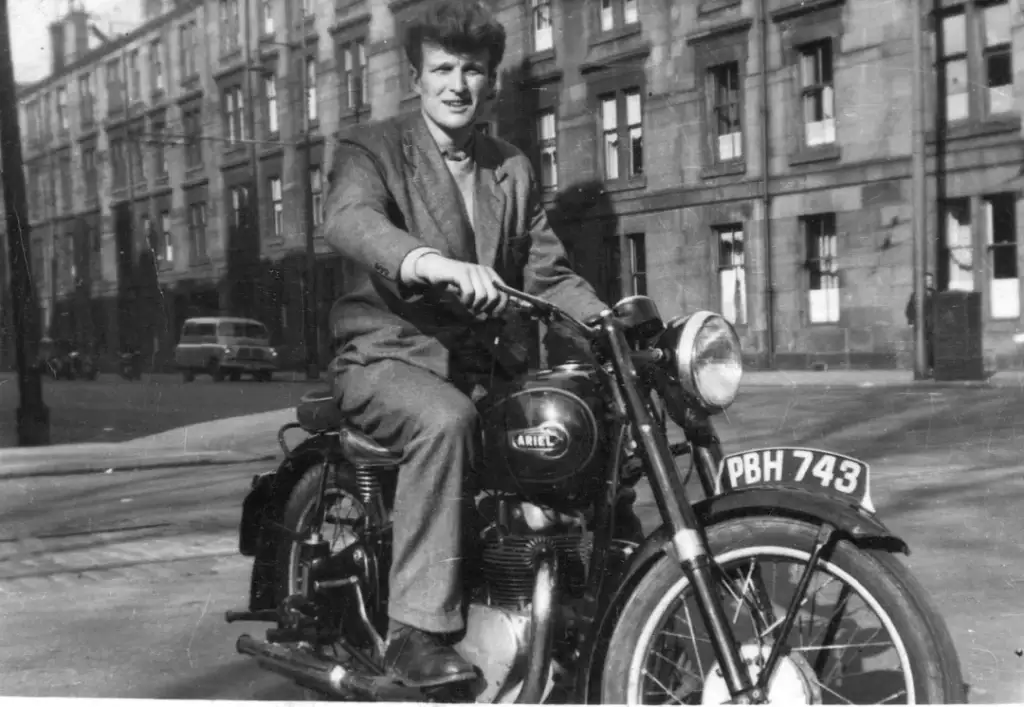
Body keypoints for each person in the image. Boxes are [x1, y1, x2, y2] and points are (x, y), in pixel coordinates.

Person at [321, 0, 608, 689]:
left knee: (581, 428)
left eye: (472, 70)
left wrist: (613, 321)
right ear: (416, 78)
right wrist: (426, 260)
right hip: (386, 357)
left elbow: (547, 273)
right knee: (447, 421)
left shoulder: (510, 166)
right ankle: (416, 632)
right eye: (442, 68)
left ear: (491, 82)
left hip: (482, 365)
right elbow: (349, 217)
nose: (457, 84)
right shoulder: (374, 148)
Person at [905, 272, 936, 375]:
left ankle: (932, 368)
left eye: (931, 280)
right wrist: (911, 321)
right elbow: (910, 309)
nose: (929, 282)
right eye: (927, 280)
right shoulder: (916, 294)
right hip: (922, 326)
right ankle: (923, 368)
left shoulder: (935, 293)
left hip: (932, 325)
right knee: (923, 347)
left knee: (932, 347)